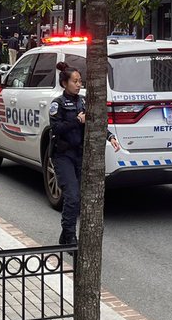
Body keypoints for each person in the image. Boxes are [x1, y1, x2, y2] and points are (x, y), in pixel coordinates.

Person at [48, 63, 121, 245]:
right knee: (71, 195)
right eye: (75, 81)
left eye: (80, 81)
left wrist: (110, 136)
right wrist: (76, 120)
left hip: (80, 154)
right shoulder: (57, 104)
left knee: (78, 197)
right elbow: (56, 128)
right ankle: (70, 235)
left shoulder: (83, 101)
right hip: (62, 155)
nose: (79, 84)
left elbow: (95, 123)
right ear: (65, 83)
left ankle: (66, 235)